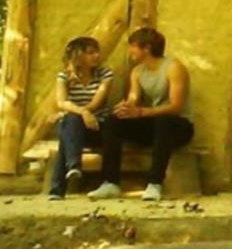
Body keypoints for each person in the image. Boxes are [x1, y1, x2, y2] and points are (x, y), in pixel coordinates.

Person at [87, 27, 192, 201]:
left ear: (147, 48)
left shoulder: (174, 68)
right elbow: (133, 98)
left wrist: (141, 112)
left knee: (163, 121)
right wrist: (125, 108)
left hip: (178, 127)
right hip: (153, 124)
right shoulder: (137, 71)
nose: (130, 51)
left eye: (133, 46)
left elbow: (176, 107)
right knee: (114, 121)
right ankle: (110, 183)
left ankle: (154, 184)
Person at [48, 36, 113, 200]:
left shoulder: (105, 75)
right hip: (75, 128)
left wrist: (80, 112)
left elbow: (97, 103)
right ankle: (73, 166)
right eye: (91, 53)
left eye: (97, 52)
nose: (97, 56)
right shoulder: (64, 77)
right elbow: (61, 102)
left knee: (67, 129)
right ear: (78, 56)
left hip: (97, 127)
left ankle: (58, 186)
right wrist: (82, 113)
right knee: (71, 122)